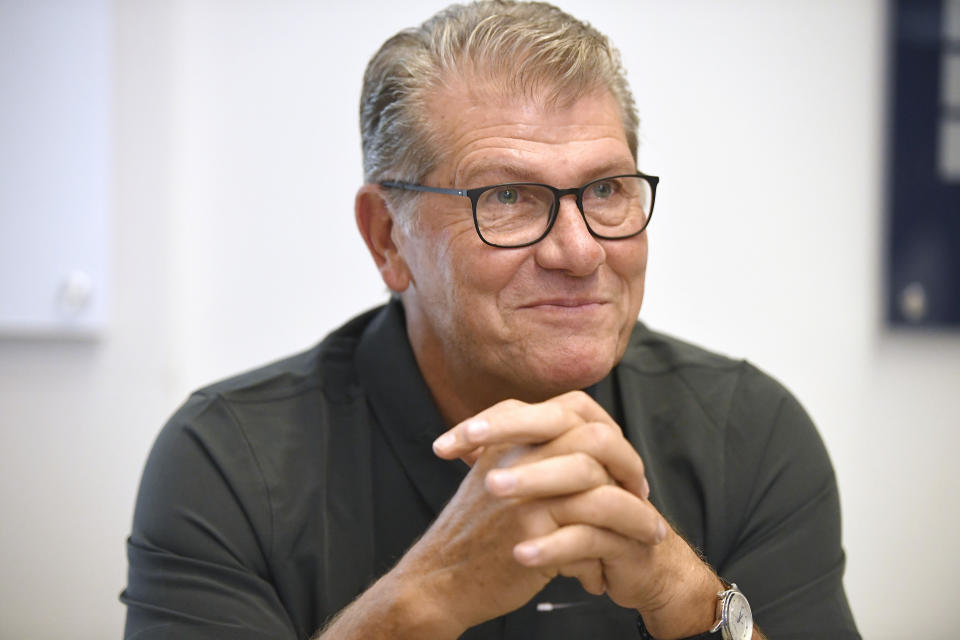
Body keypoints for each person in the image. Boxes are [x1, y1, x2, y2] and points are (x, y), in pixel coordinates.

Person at [121, 2, 861, 639]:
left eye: (606, 189)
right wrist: (427, 598)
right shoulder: (230, 460)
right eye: (506, 198)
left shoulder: (749, 431)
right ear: (387, 237)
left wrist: (681, 594)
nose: (579, 251)